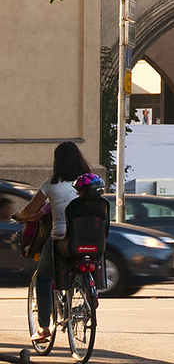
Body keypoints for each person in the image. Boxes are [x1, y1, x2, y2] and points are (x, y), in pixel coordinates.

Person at [11, 141, 89, 349]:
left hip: (61, 240)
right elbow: (67, 203)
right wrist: (45, 210)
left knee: (44, 278)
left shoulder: (50, 184)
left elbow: (29, 211)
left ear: (58, 163)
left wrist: (21, 215)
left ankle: (44, 327)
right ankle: (90, 297)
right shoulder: (89, 183)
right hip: (89, 239)